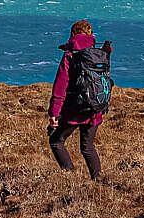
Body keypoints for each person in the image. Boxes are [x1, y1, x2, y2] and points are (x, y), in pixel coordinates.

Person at [47, 20, 111, 180]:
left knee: (56, 141)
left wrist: (54, 113)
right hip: (95, 108)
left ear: (73, 34)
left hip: (75, 109)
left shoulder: (70, 55)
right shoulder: (100, 53)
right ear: (90, 34)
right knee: (87, 147)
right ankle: (98, 180)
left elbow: (60, 87)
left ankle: (70, 176)